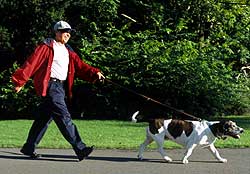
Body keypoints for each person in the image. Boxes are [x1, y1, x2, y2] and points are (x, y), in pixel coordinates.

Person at [12, 20, 105, 161]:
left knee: (43, 119)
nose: (67, 34)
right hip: (50, 86)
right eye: (64, 31)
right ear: (56, 32)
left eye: (69, 32)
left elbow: (80, 66)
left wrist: (95, 73)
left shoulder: (68, 50)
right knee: (64, 116)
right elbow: (32, 62)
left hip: (60, 87)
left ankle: (29, 147)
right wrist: (20, 80)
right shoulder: (47, 47)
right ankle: (80, 149)